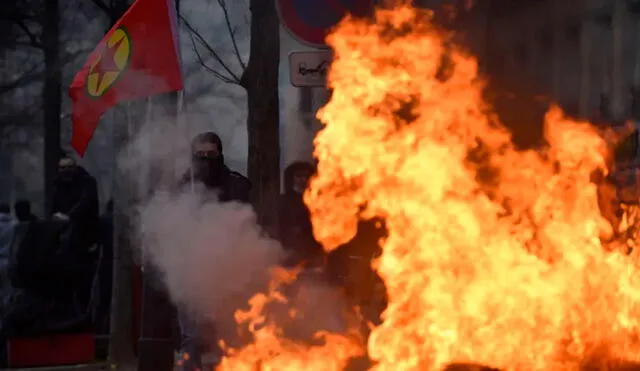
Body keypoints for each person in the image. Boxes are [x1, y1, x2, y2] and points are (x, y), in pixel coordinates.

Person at [175, 132, 251, 371]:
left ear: (220, 154)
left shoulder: (237, 185)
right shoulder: (184, 187)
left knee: (226, 335)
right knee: (192, 337)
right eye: (200, 155)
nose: (206, 160)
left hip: (228, 273)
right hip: (192, 273)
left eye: (211, 154)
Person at [278, 161, 324, 267]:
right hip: (290, 250)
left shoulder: (319, 200)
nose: (303, 179)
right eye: (299, 176)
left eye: (306, 176)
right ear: (292, 178)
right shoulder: (284, 200)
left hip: (313, 250)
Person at [51, 152, 99, 251]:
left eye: (69, 167)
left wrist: (70, 216)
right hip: (63, 231)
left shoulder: (87, 182)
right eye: (62, 168)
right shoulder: (57, 186)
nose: (65, 171)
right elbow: (54, 206)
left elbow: (86, 201)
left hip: (85, 231)